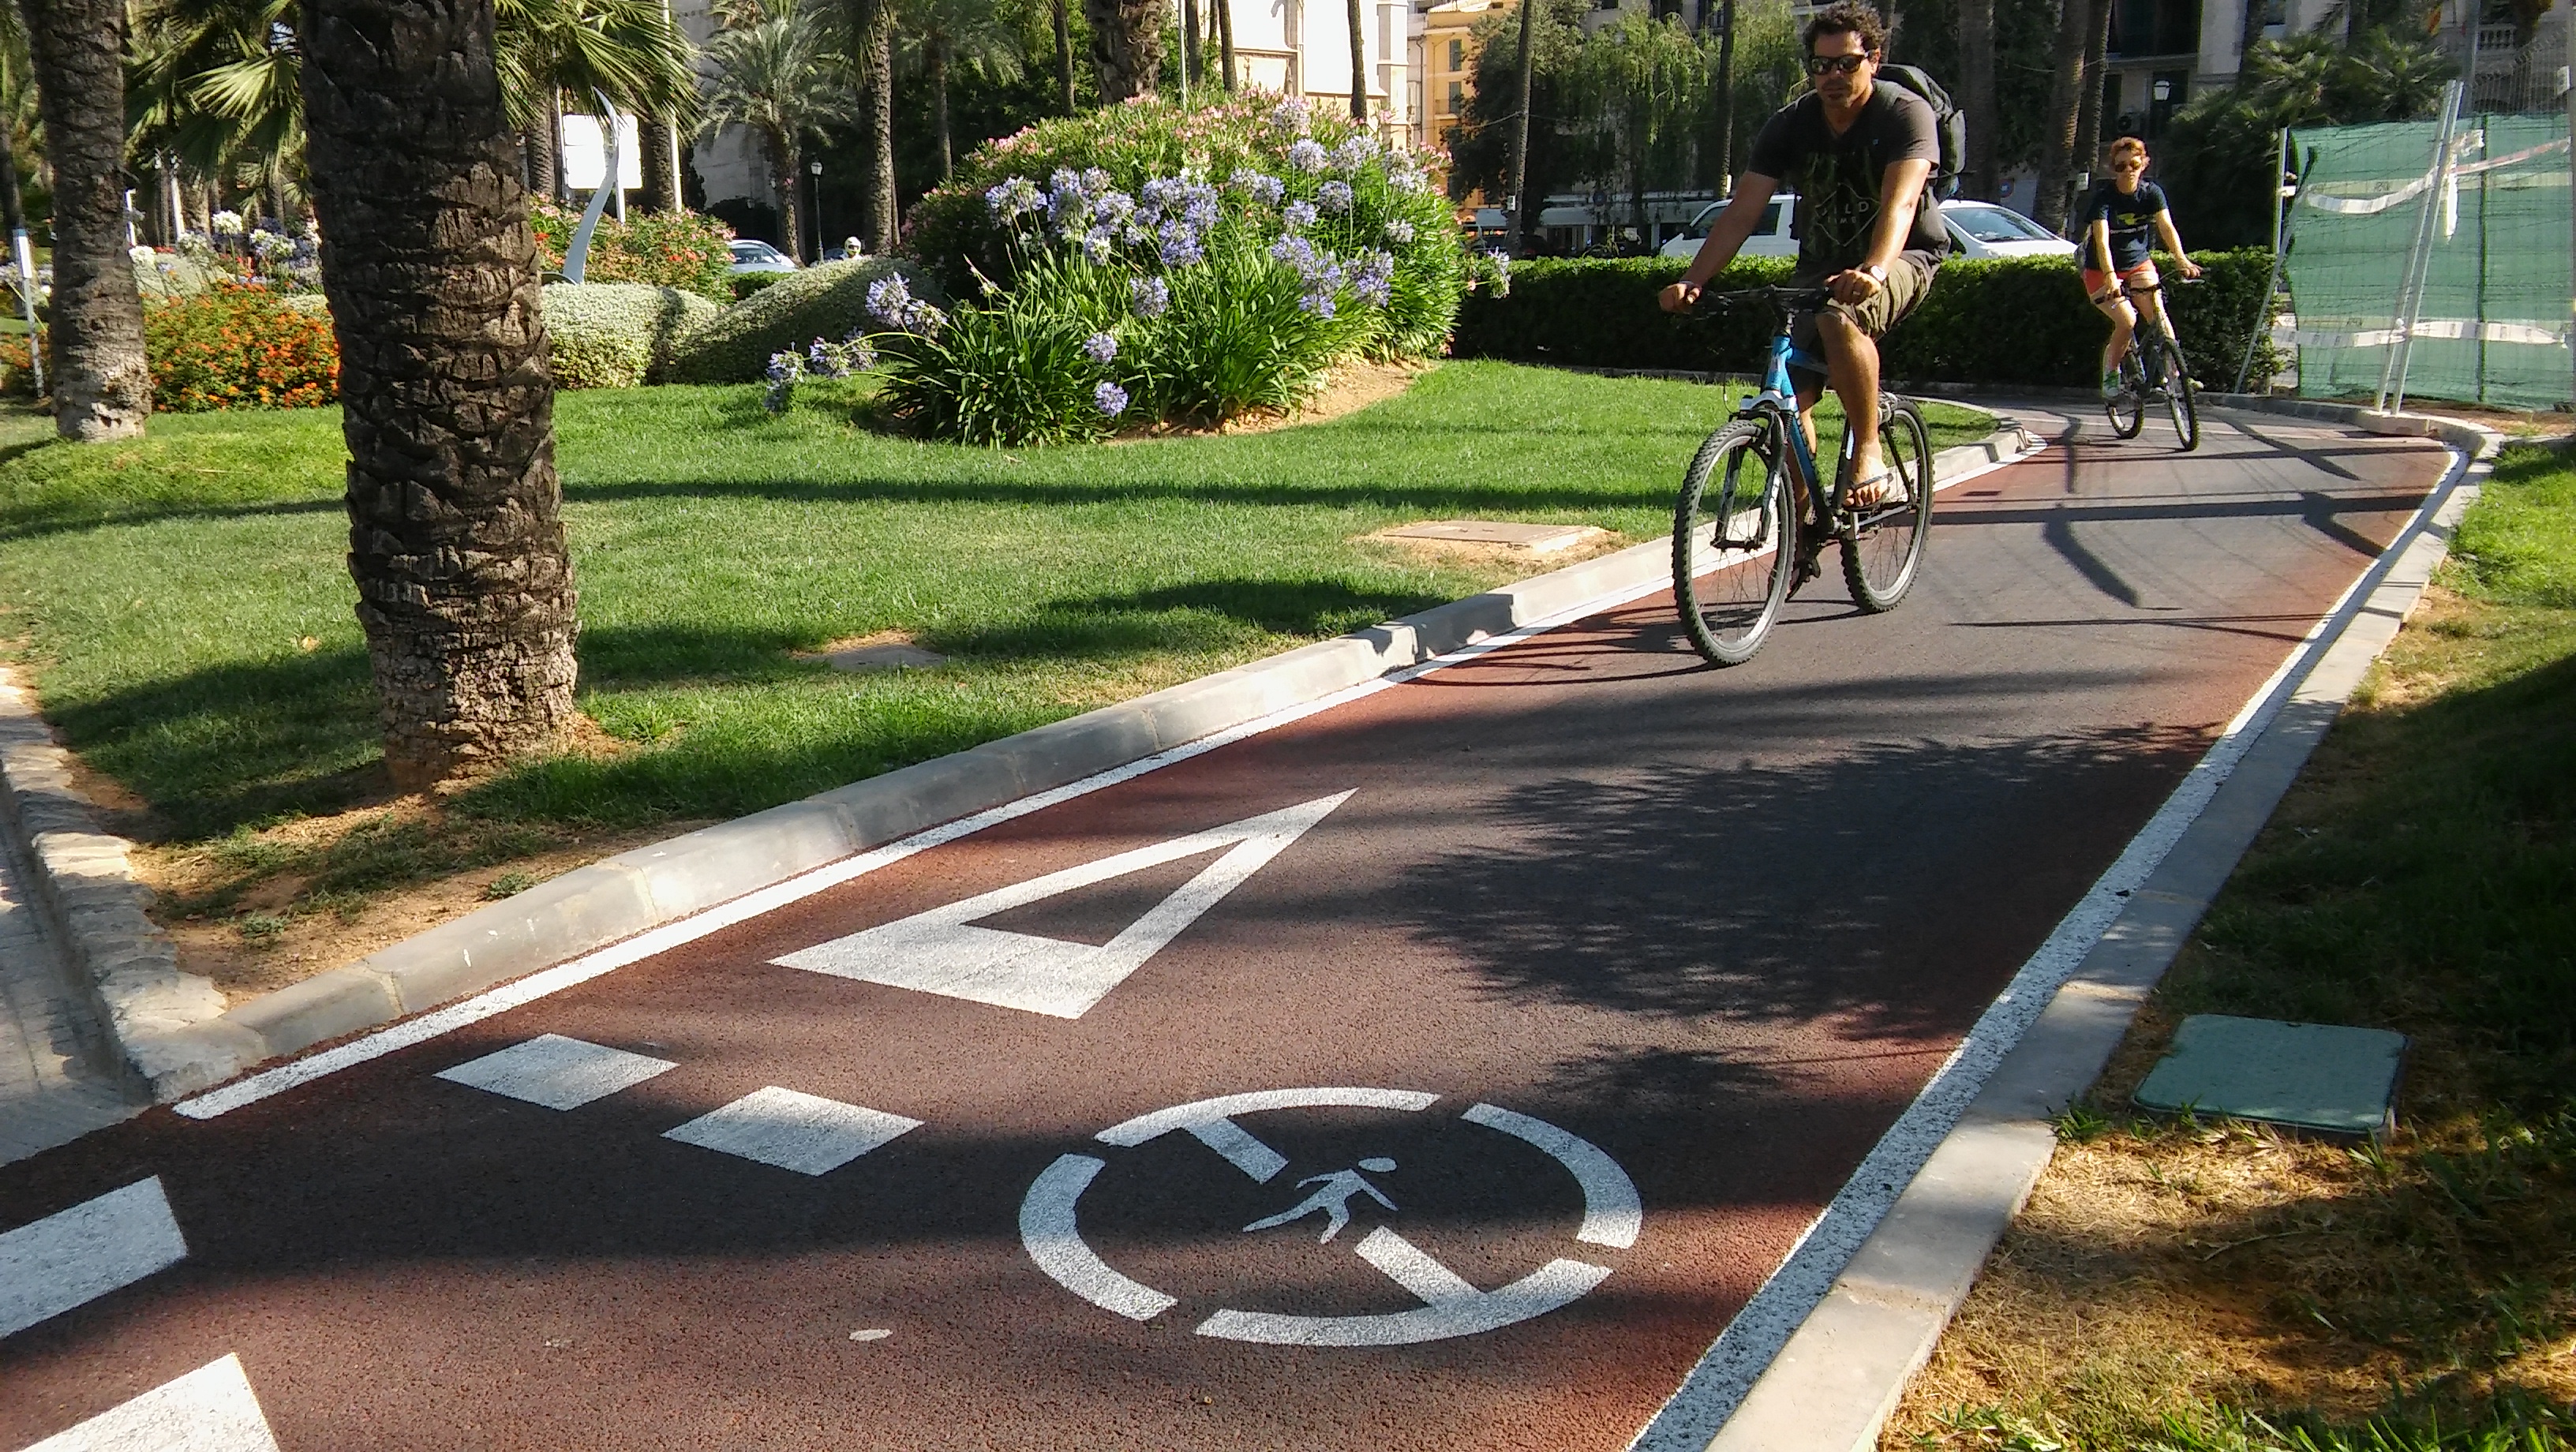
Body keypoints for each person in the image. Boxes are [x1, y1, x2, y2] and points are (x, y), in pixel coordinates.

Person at [1657, 0, 1945, 510]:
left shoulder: (1904, 114)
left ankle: (1870, 451)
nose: (1832, 76)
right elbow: (1742, 214)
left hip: (1903, 256)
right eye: (1821, 65)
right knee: (1790, 397)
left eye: (1847, 63)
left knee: (1839, 317)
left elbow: (1899, 206)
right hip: (1821, 264)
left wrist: (1876, 271)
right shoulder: (1790, 125)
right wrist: (1694, 281)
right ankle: (1802, 527)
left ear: (1873, 60)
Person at [2081, 136, 2200, 397]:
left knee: (2158, 315)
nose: (2128, 172)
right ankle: (2112, 373)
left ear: (2144, 164)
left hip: (2137, 263)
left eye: (2133, 165)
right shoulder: (2104, 199)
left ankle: (2176, 377)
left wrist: (2181, 259)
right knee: (2127, 321)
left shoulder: (2152, 193)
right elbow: (2102, 241)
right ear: (2113, 169)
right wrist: (2111, 277)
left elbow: (2166, 227)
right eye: (2121, 167)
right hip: (2101, 269)